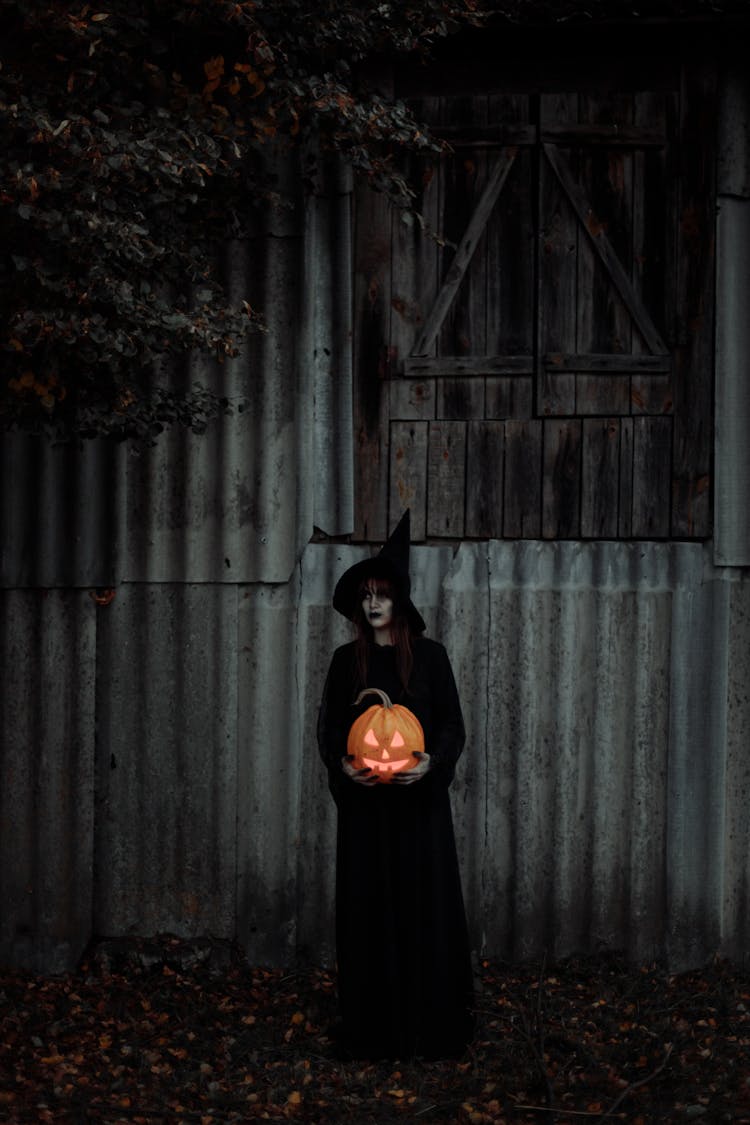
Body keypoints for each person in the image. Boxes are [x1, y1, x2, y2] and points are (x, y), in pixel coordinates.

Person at [317, 511, 474, 1060]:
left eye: (383, 593)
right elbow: (333, 727)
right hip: (367, 811)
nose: (373, 604)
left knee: (421, 910)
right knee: (369, 911)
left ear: (400, 599)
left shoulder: (431, 658)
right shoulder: (346, 662)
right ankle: (373, 1030)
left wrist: (433, 763)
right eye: (366, 596)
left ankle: (430, 1029)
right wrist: (344, 766)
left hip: (419, 810)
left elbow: (452, 724)